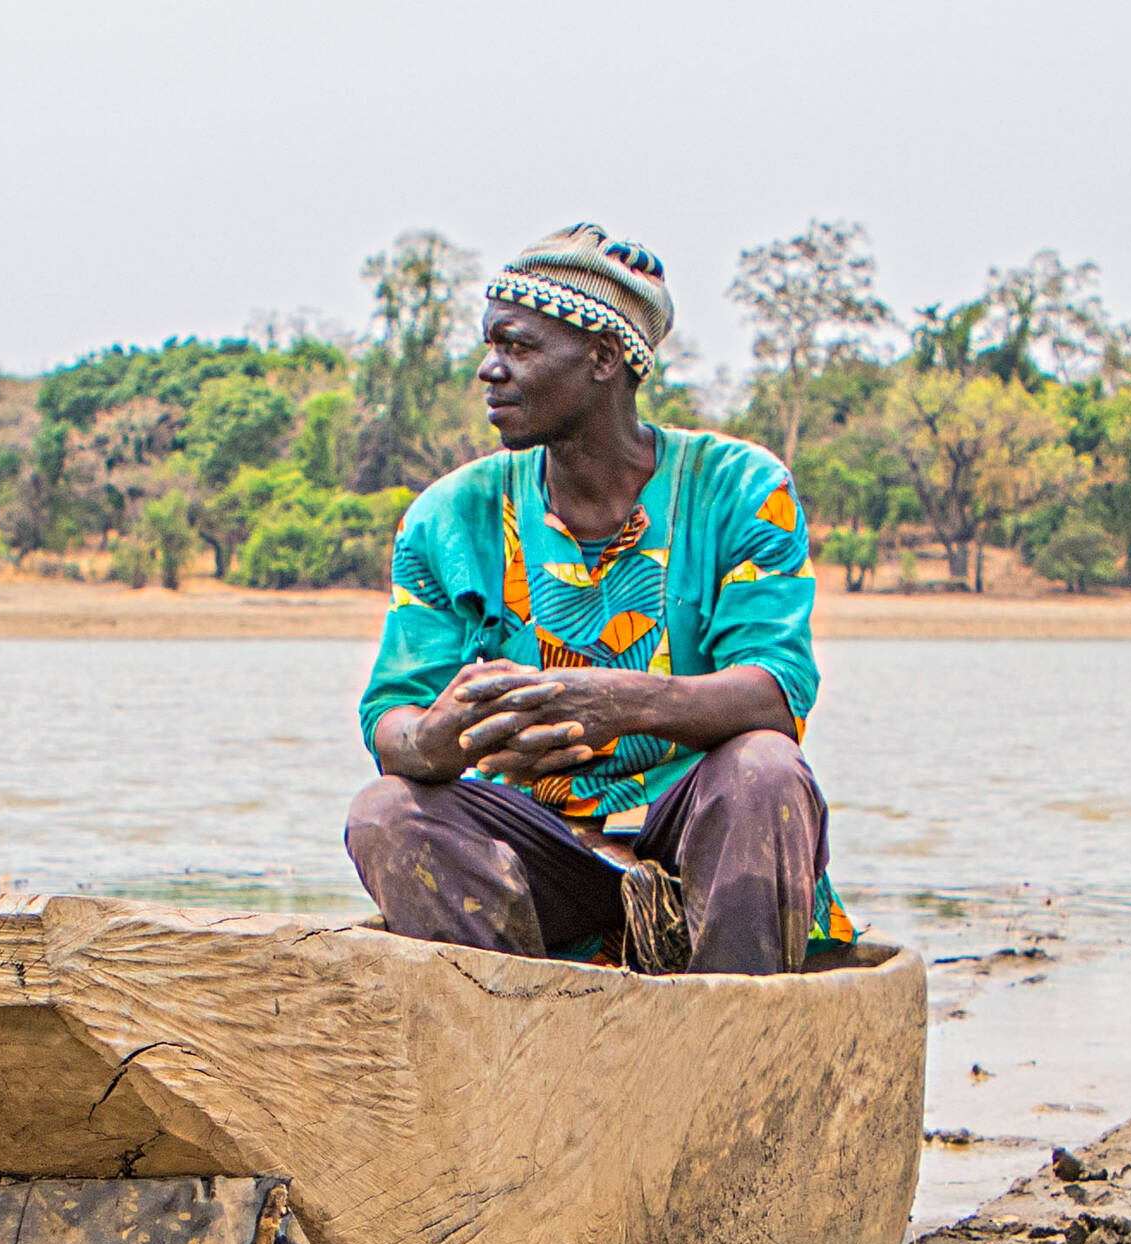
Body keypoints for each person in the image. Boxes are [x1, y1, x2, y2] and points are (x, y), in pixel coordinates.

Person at [345, 224, 853, 975]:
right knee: (385, 813)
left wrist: (618, 701)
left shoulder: (741, 488)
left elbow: (776, 693)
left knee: (764, 769)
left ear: (604, 358)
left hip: (700, 841)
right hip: (542, 856)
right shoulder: (452, 517)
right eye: (490, 347)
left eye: (517, 348)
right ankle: (520, 1042)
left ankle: (732, 1040)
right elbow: (391, 714)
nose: (490, 370)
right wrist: (433, 740)